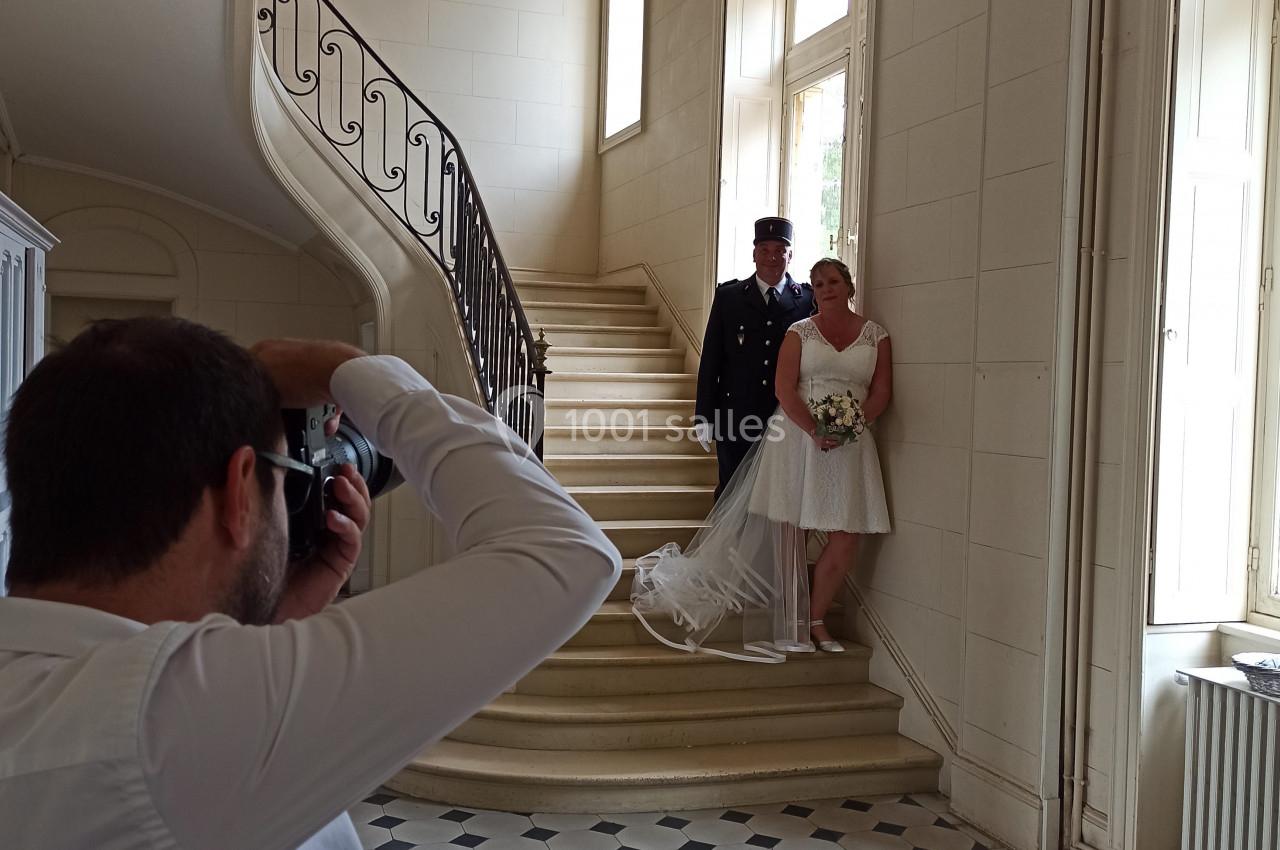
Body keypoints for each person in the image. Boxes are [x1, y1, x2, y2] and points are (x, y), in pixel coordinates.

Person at [0, 317, 621, 850]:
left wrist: (274, 623)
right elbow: (566, 550)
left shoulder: (57, 697)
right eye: (281, 476)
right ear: (240, 491)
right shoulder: (163, 723)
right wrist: (350, 369)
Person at [633, 258, 890, 661]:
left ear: (849, 285)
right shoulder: (799, 331)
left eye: (833, 281)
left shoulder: (875, 335)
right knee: (790, 535)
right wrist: (815, 429)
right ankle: (794, 624)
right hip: (797, 437)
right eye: (819, 282)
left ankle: (816, 617)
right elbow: (784, 389)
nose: (825, 288)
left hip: (852, 443)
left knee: (846, 534)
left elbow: (881, 391)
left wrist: (853, 425)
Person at [694, 217, 814, 498]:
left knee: (780, 495)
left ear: (790, 255)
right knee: (731, 492)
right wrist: (704, 415)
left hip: (784, 415)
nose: (772, 257)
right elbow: (711, 359)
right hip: (735, 415)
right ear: (754, 254)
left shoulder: (807, 300)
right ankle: (727, 544)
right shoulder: (729, 296)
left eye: (779, 250)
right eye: (764, 249)